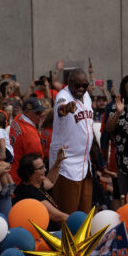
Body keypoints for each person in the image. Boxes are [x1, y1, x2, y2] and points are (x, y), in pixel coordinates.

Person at [49, 68, 93, 214]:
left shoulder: (86, 96)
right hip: (66, 163)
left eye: (84, 85)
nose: (81, 88)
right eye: (77, 85)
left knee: (84, 212)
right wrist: (66, 108)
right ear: (68, 83)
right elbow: (61, 109)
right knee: (68, 213)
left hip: (85, 162)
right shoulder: (63, 95)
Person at [13, 147, 69, 231]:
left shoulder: (35, 183)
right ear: (29, 172)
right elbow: (56, 216)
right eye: (41, 168)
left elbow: (50, 181)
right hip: (46, 237)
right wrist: (77, 220)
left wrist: (58, 161)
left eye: (44, 166)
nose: (45, 169)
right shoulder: (28, 193)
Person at [10, 97, 45, 185]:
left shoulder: (18, 118)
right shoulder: (30, 137)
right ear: (26, 112)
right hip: (22, 180)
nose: (41, 115)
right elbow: (36, 166)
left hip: (12, 170)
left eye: (41, 111)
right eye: (37, 112)